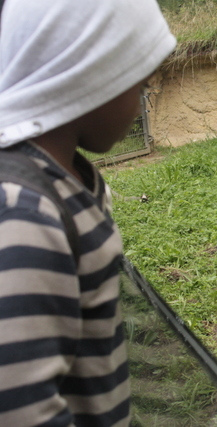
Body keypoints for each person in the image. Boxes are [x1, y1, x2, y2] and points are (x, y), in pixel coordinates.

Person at [0, 0, 176, 426]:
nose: (140, 102)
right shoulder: (25, 215)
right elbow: (21, 409)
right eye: (139, 84)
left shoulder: (62, 178)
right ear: (92, 74)